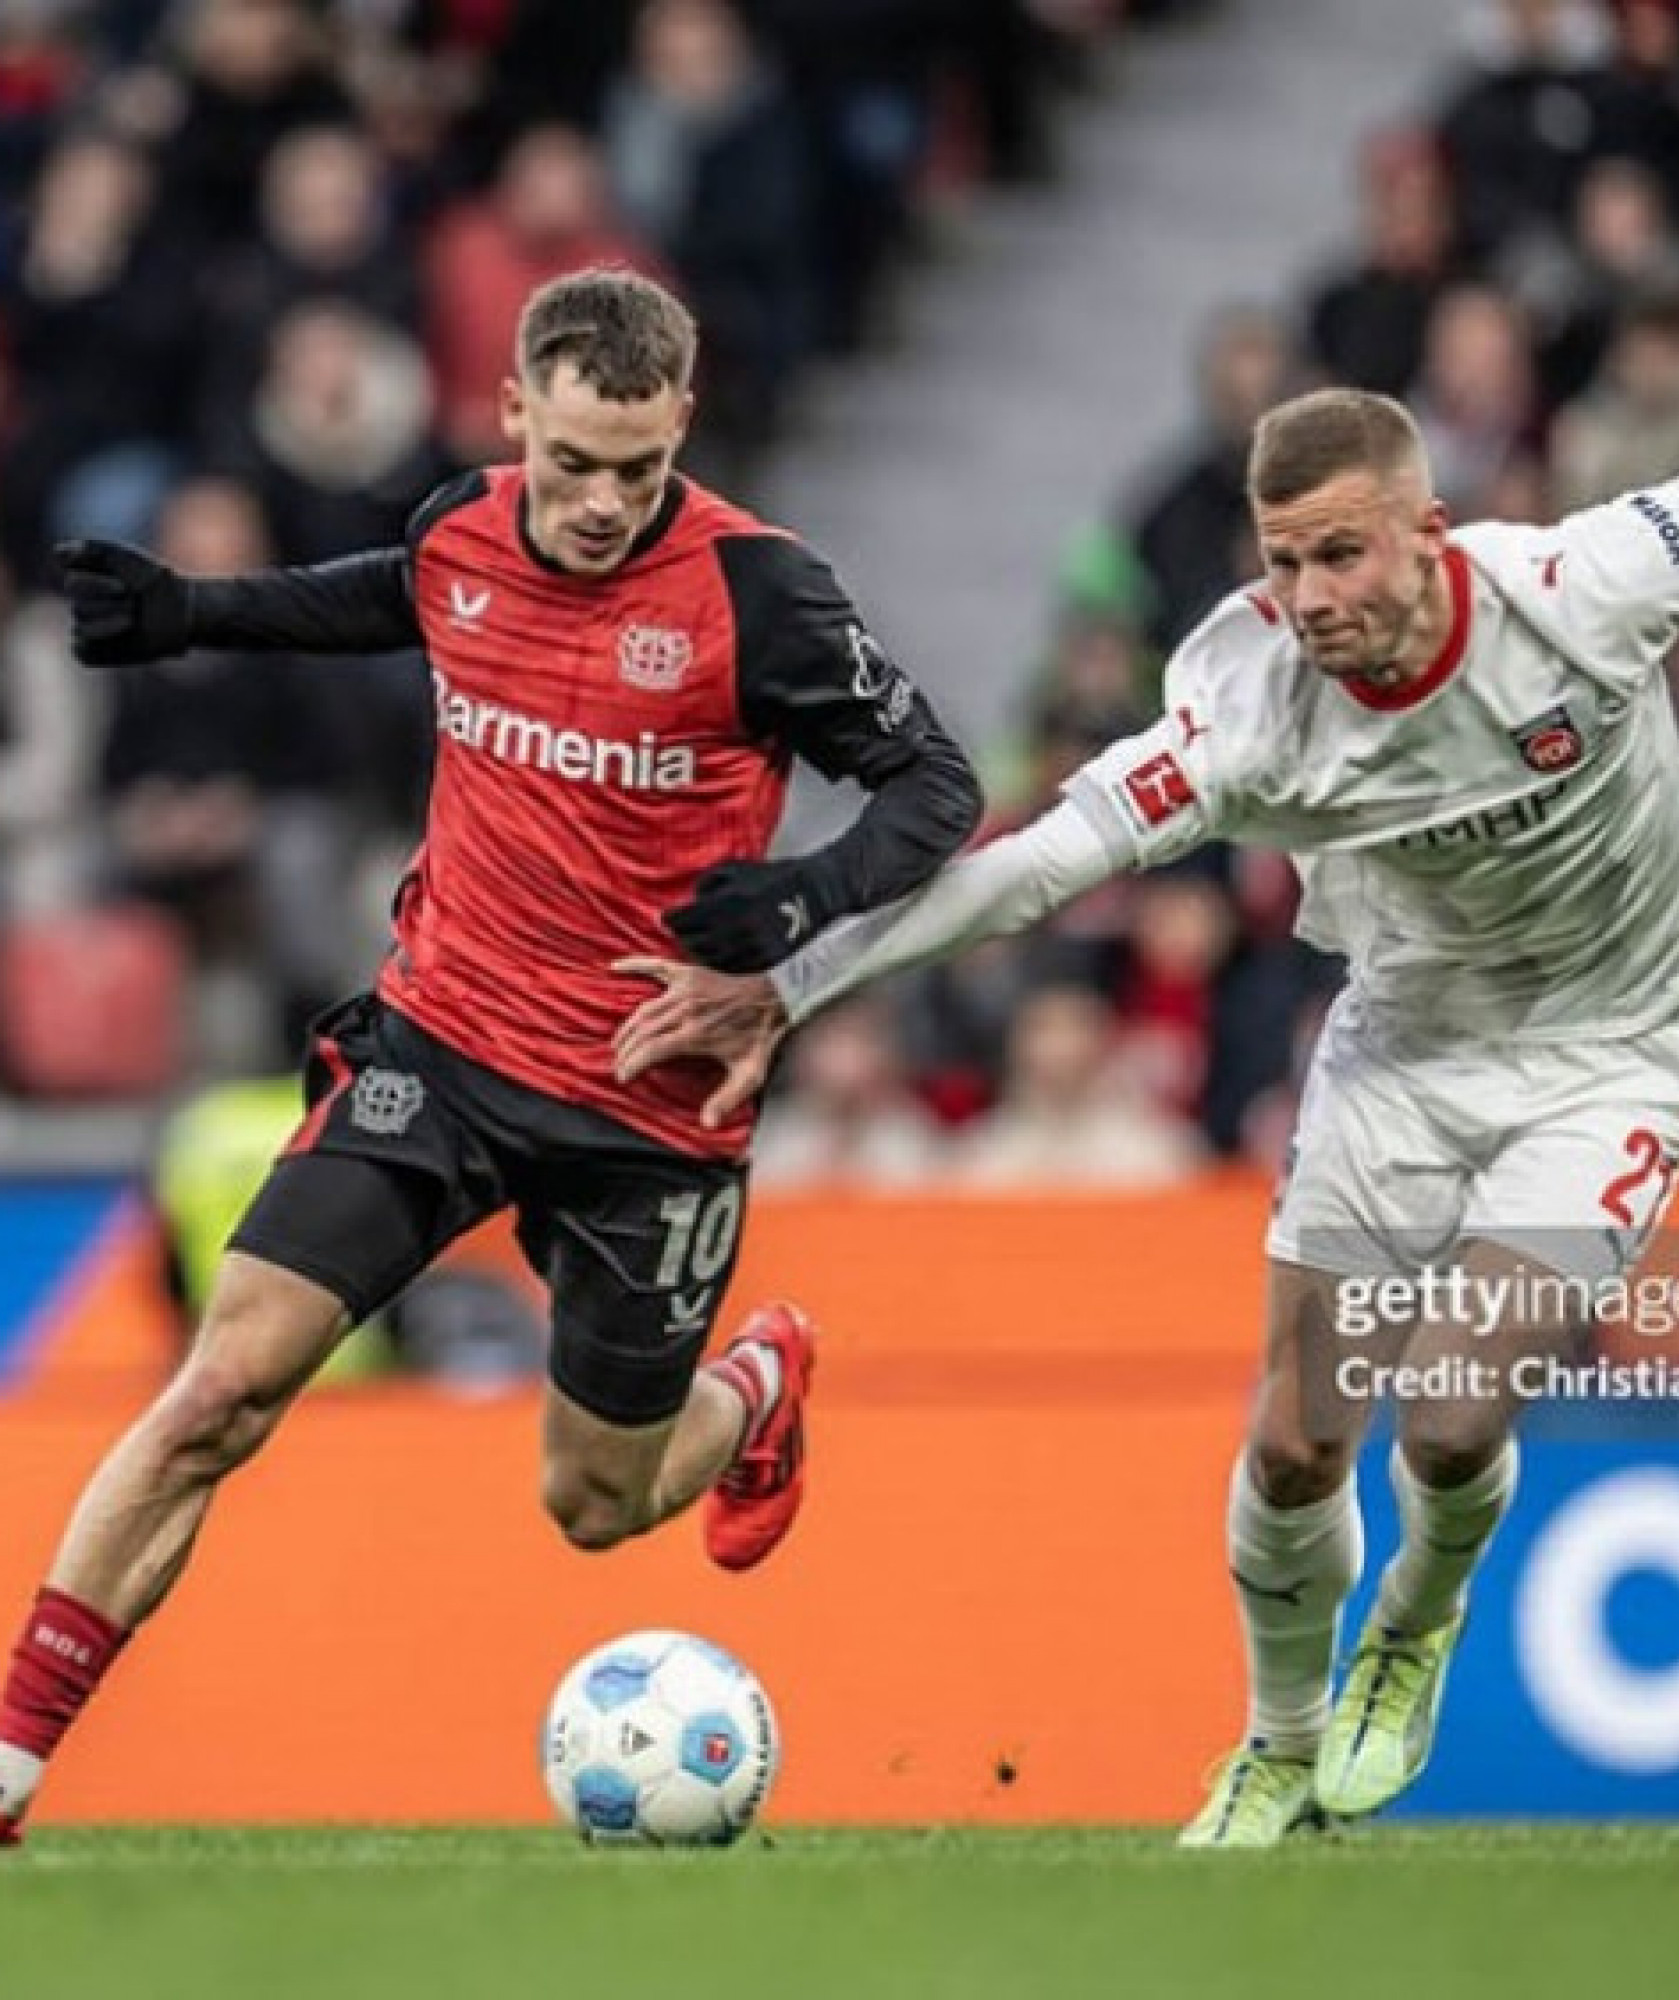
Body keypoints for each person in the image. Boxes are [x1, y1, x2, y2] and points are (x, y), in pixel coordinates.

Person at [609, 374, 1679, 1846]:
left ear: (1429, 534)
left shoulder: (1586, 586)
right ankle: (1278, 1744)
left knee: (1456, 1419)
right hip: (1402, 1056)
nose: (1310, 594)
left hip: (1623, 1053)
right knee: (1294, 1446)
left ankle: (1416, 1617)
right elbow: (1034, 865)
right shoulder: (1249, 712)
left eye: (1342, 554)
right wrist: (797, 986)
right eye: (1281, 560)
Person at [0, 266, 983, 1847]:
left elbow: (936, 788)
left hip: (648, 1105)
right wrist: (197, 611)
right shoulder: (469, 520)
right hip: (438, 1048)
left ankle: (756, 1384)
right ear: (515, 411)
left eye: (638, 470)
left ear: (683, 420)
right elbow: (400, 588)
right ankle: (13, 1764)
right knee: (217, 1394)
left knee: (595, 1506)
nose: (600, 505)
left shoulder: (762, 597)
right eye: (573, 464)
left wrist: (797, 909)